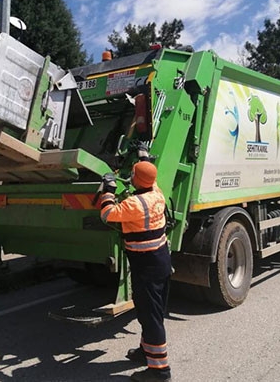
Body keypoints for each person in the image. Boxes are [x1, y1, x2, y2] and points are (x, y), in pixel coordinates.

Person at [99, 147, 172, 382]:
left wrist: (108, 191)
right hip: (160, 262)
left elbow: (107, 215)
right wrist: (143, 157)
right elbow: (151, 176)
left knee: (150, 316)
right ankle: (146, 352)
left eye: (133, 175)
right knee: (151, 312)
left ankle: (160, 371)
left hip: (146, 268)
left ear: (136, 181)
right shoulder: (157, 194)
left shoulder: (133, 205)